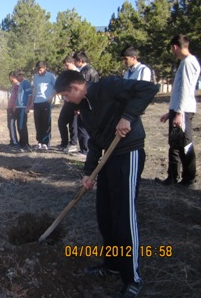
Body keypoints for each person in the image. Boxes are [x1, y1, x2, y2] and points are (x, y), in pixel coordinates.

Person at [54, 70, 159, 298]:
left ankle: (133, 278)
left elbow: (149, 89)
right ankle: (112, 265)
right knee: (105, 215)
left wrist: (128, 116)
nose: (65, 100)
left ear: (74, 88)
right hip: (108, 159)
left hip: (128, 152)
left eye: (64, 95)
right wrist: (88, 172)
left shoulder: (108, 86)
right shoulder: (85, 109)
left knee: (123, 215)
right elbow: (94, 142)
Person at [156, 34, 200, 187]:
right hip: (178, 109)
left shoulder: (188, 62)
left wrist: (180, 113)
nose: (172, 52)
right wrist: (171, 112)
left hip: (184, 110)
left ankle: (189, 179)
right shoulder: (184, 62)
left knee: (184, 144)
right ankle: (172, 176)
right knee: (174, 144)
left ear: (175, 47)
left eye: (172, 49)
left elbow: (186, 89)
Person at [70, 51, 99, 156]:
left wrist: (78, 105)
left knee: (83, 126)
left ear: (80, 61)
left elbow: (82, 90)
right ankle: (85, 149)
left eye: (75, 61)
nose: (74, 63)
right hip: (90, 103)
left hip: (86, 104)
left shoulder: (85, 72)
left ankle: (85, 150)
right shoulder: (90, 70)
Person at [28, 61, 56, 150]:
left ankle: (46, 142)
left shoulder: (51, 76)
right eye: (37, 70)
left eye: (40, 70)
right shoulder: (35, 77)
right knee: (38, 123)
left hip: (46, 102)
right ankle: (39, 141)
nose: (39, 72)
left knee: (46, 122)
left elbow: (56, 87)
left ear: (45, 68)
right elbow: (34, 90)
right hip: (37, 102)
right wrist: (32, 103)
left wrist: (51, 97)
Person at [57, 55, 79, 152]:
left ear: (72, 63)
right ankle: (64, 143)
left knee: (73, 124)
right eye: (65, 66)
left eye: (67, 65)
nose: (66, 67)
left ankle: (73, 144)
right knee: (61, 122)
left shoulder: (78, 73)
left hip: (75, 102)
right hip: (67, 102)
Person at [15, 70, 32, 149]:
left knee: (22, 125)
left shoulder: (26, 83)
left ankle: (25, 143)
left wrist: (28, 107)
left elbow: (30, 95)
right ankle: (21, 142)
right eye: (16, 76)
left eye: (18, 75)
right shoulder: (20, 84)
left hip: (23, 107)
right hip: (18, 107)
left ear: (21, 75)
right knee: (19, 125)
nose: (17, 77)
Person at [7, 71, 20, 146]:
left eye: (9, 77)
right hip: (10, 107)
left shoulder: (17, 85)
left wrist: (15, 106)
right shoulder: (14, 85)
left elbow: (17, 97)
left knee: (11, 124)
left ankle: (15, 142)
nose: (9, 79)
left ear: (11, 77)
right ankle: (12, 140)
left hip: (13, 108)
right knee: (9, 124)